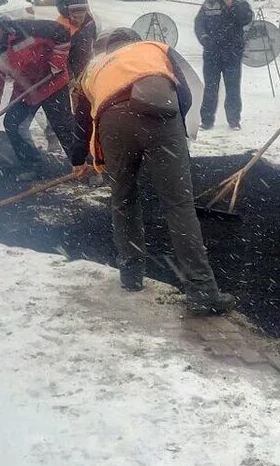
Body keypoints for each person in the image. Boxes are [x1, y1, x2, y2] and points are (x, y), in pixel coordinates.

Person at [71, 27, 234, 316]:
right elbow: (183, 90)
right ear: (135, 41)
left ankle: (131, 273)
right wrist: (175, 131)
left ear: (109, 48)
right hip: (159, 113)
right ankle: (202, 290)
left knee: (123, 199)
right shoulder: (154, 48)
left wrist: (78, 158)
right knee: (178, 205)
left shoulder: (96, 68)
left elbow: (82, 117)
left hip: (113, 123)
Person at [0, 6, 73, 178]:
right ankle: (33, 165)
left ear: (1, 25)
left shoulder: (26, 29)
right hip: (26, 89)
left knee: (63, 126)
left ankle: (84, 165)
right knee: (12, 124)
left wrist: (57, 62)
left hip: (52, 81)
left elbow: (62, 34)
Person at [194, 0, 253, 131]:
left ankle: (234, 120)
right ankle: (207, 120)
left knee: (233, 87)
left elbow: (246, 19)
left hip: (232, 52)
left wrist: (231, 5)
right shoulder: (210, 2)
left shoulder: (241, 2)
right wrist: (204, 38)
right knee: (210, 87)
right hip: (212, 52)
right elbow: (199, 23)